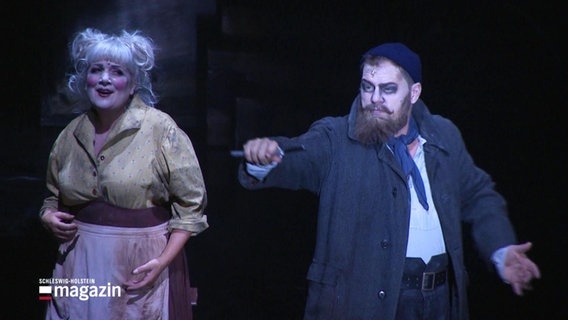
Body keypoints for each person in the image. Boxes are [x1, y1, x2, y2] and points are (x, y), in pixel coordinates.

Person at [238, 42, 540, 319]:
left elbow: (478, 195)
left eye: (388, 89)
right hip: (366, 303)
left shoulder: (442, 135)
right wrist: (264, 159)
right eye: (367, 87)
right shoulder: (336, 138)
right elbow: (296, 156)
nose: (375, 99)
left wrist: (501, 250)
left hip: (439, 301)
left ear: (414, 92)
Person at [39, 28, 208, 320]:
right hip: (79, 262)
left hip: (138, 263)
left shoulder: (159, 128)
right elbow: (52, 198)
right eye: (97, 70)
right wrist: (47, 216)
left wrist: (162, 261)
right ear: (85, 80)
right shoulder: (71, 134)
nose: (105, 78)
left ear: (132, 85)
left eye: (116, 72)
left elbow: (191, 208)